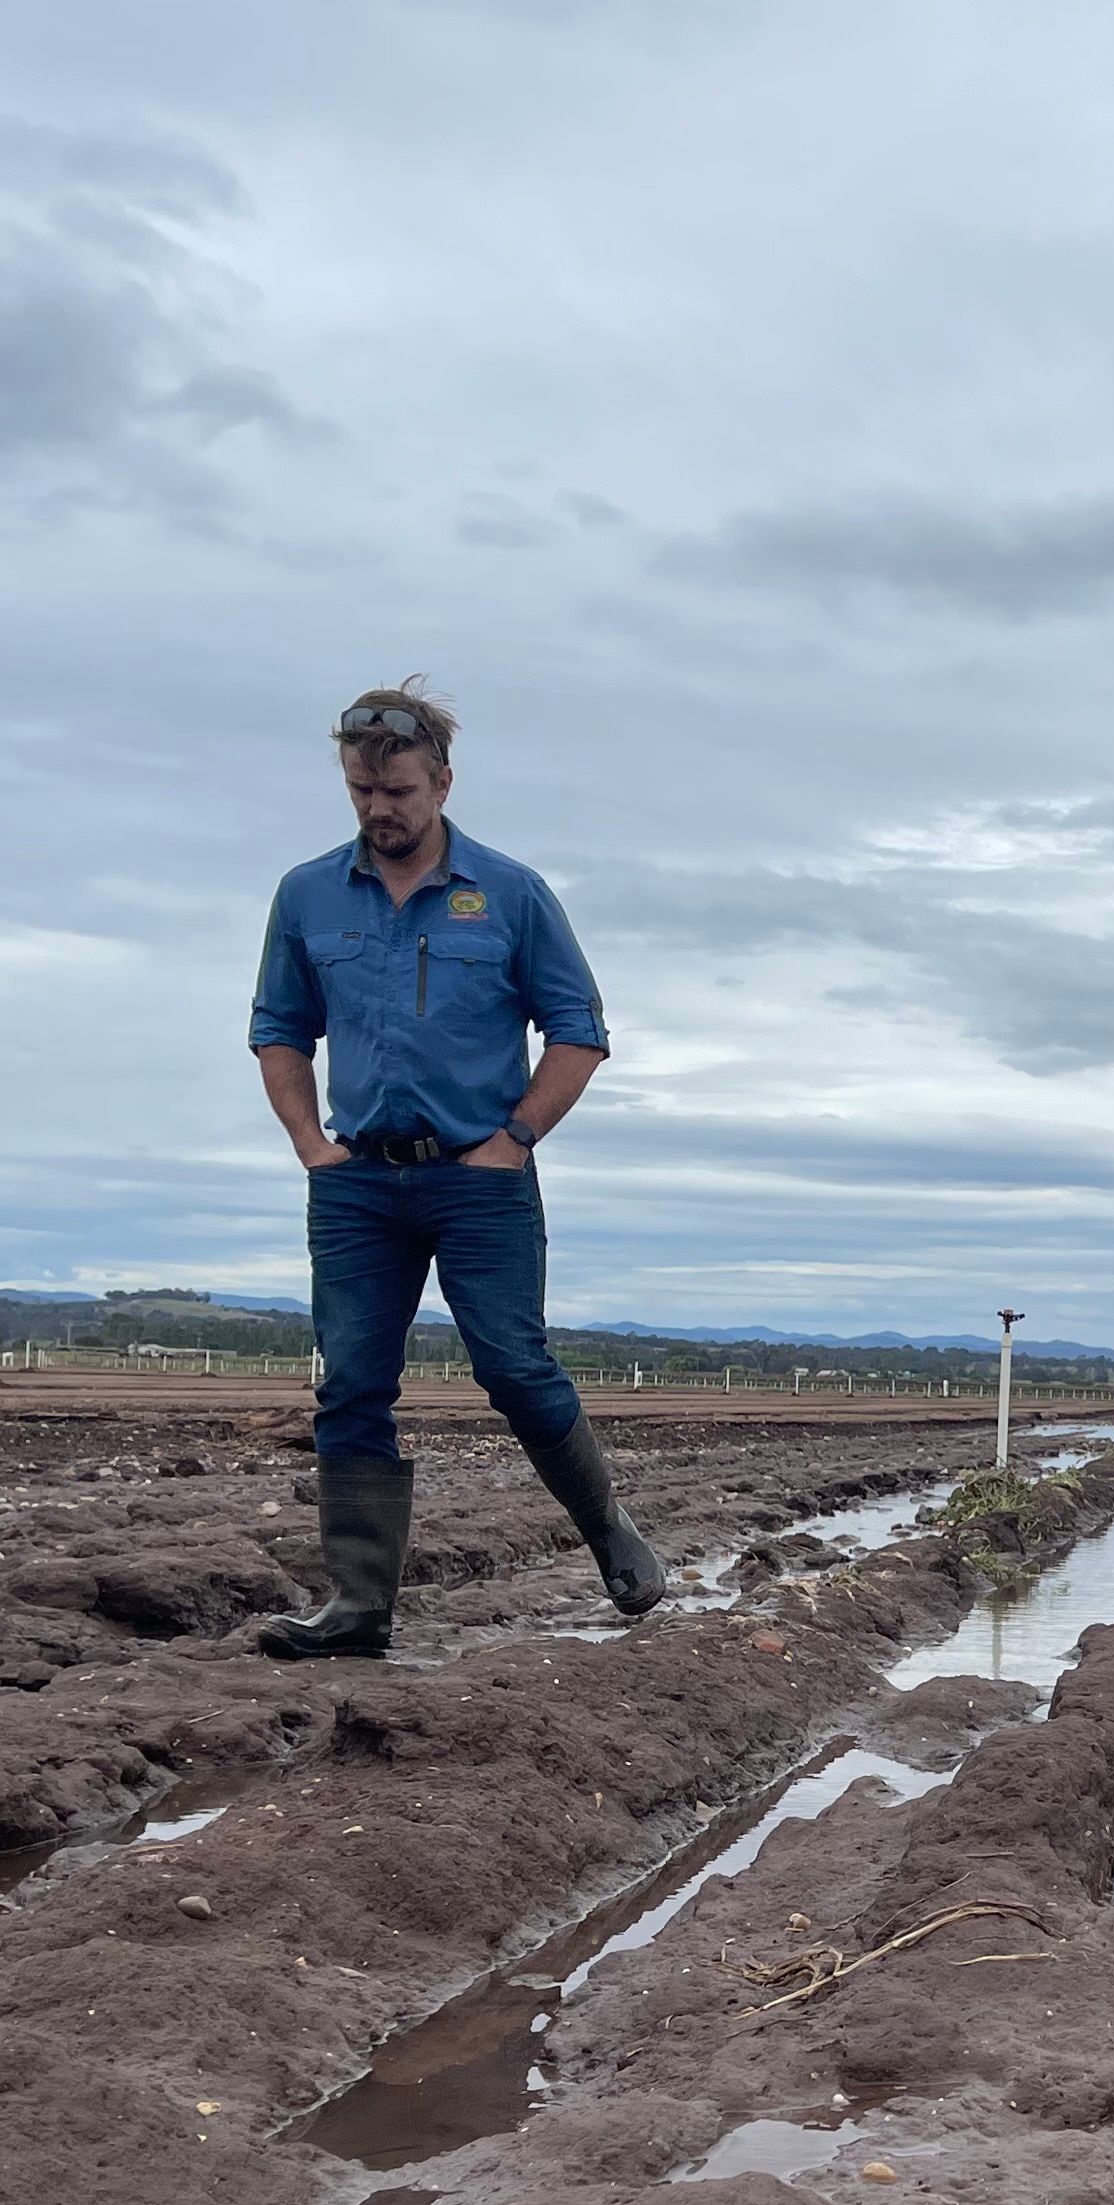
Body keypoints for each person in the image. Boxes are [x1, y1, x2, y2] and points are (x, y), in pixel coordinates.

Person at [246, 683, 664, 1657]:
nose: (379, 809)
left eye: (396, 790)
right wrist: (312, 1145)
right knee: (351, 1385)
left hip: (480, 1179)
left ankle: (608, 1530)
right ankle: (357, 1609)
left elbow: (579, 1032)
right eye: (361, 791)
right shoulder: (307, 894)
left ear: (440, 781)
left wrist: (512, 1140)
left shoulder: (510, 893)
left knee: (513, 1368)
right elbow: (278, 1030)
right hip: (358, 1182)